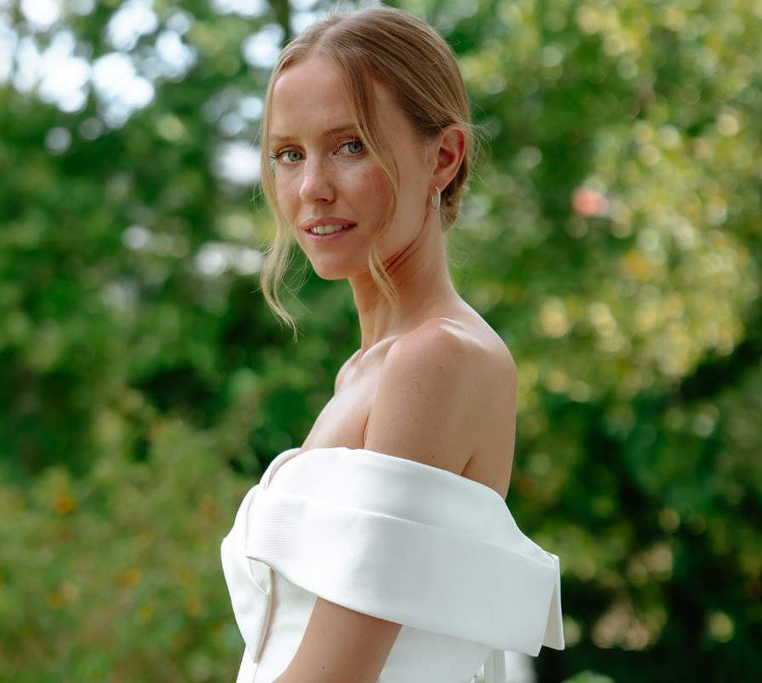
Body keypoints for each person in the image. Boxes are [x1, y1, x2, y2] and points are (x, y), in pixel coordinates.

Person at [220, 7, 564, 682]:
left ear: (443, 156)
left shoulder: (438, 357)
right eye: (289, 154)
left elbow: (336, 673)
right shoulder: (367, 369)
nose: (312, 188)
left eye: (350, 146)